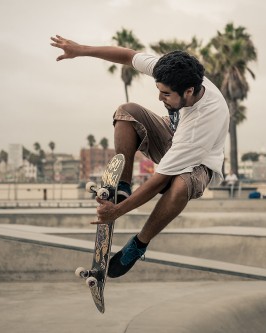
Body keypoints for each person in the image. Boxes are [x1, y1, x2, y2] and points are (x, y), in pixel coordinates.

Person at [50, 35, 229, 278]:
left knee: (179, 185)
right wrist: (80, 50)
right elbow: (127, 55)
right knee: (127, 112)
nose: (159, 98)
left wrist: (118, 211)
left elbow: (161, 179)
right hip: (173, 136)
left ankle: (138, 244)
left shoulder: (203, 120)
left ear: (189, 91)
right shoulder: (173, 72)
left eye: (166, 95)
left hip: (200, 165)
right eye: (159, 91)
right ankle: (123, 185)